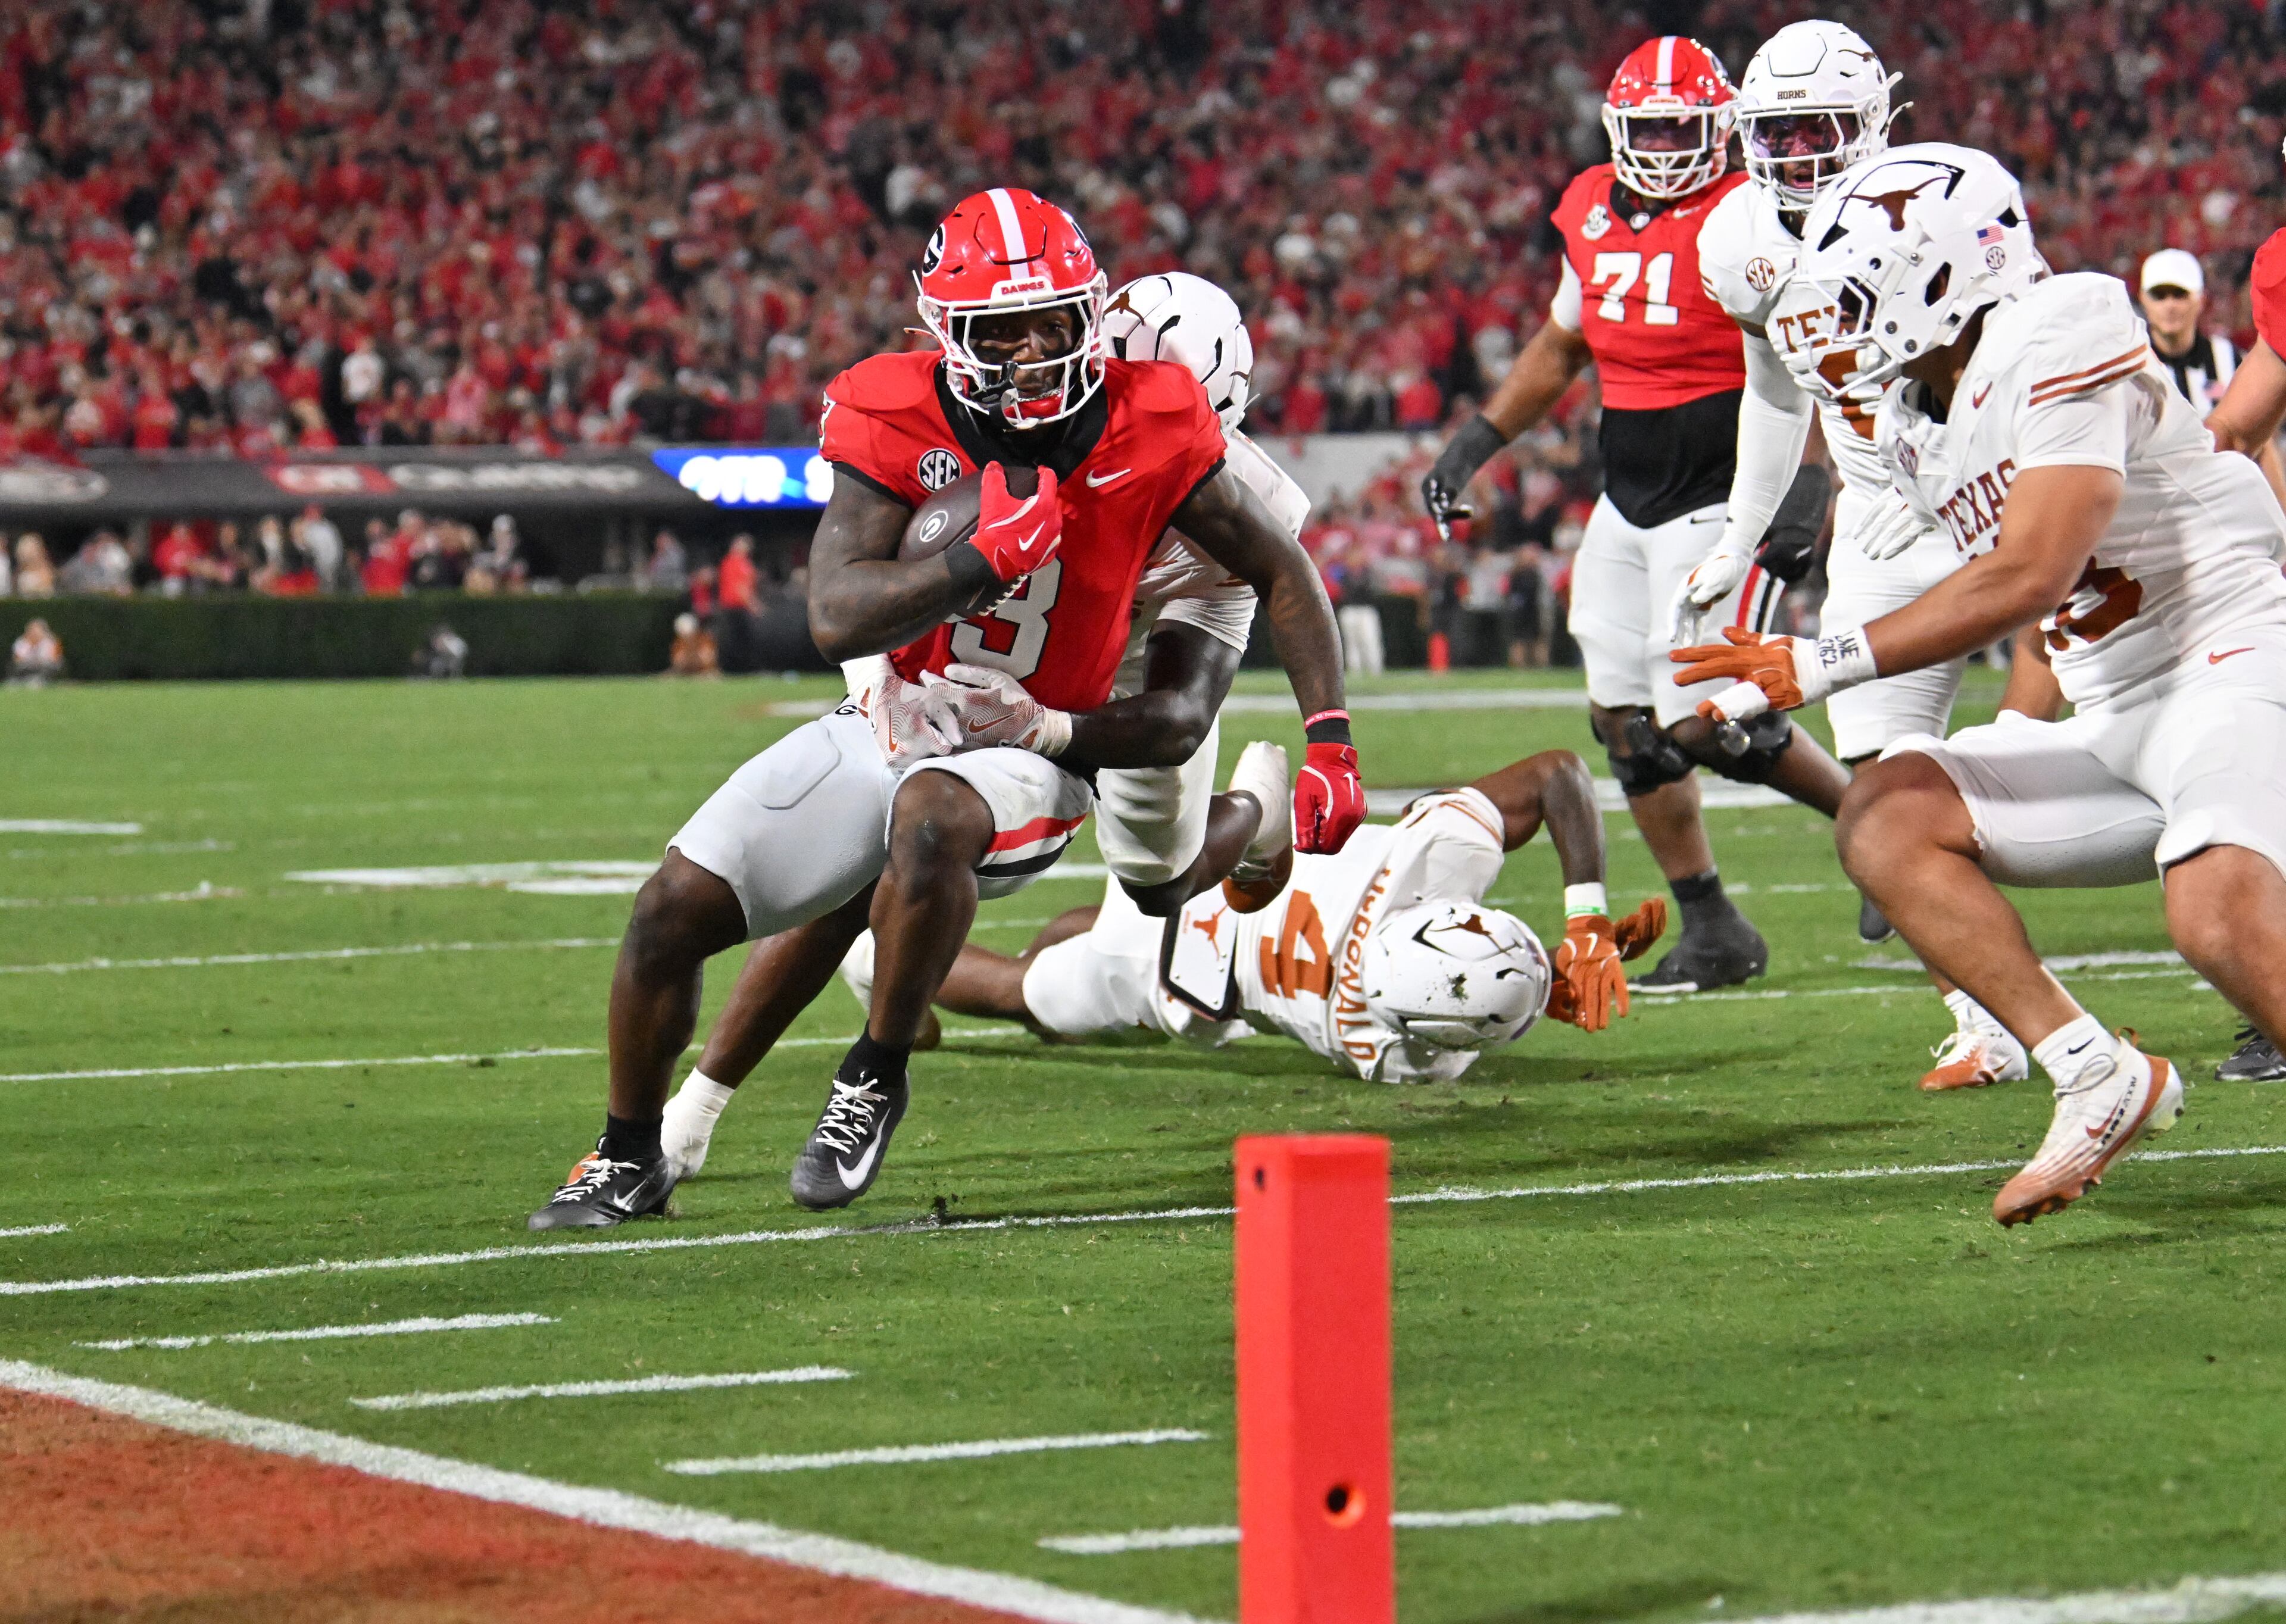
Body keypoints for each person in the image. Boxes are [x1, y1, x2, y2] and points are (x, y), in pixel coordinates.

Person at [529, 189, 1353, 1230]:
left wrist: (1327, 735)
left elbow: (1271, 591)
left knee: (979, 831)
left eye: (1052, 323)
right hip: (905, 708)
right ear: (948, 335)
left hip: (1037, 741)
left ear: (1092, 317)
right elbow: (835, 609)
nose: (1033, 353)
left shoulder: (1163, 425)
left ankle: (873, 1072)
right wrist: (969, 565)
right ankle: (627, 1155)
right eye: (1002, 332)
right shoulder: (892, 407)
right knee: (671, 907)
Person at [1677, 143, 2286, 1226]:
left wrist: (1812, 664)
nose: (1846, 318)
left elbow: (2033, 571)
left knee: (2215, 915)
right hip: (2120, 714)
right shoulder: (1918, 415)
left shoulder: (2069, 324)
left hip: (2234, 664)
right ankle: (2097, 1073)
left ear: (1945, 271)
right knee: (1884, 815)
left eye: (1866, 284)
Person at [658, 271, 1313, 1178]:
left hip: (1138, 649)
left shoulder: (1244, 500)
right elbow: (872, 566)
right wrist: (874, 675)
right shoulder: (1006, 405)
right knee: (861, 851)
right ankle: (695, 1109)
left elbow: (1187, 701)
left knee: (1157, 884)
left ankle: (1254, 815)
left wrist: (1057, 728)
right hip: (1013, 621)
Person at [1420, 35, 1850, 995]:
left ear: (1722, 130)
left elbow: (1812, 362)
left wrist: (1809, 486)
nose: (1661, 145)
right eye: (1647, 125)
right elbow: (1561, 344)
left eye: (1679, 126)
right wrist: (1474, 443)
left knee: (1699, 720)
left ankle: (1871, 824)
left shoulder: (1751, 215)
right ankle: (1712, 926)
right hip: (1628, 497)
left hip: (1723, 494)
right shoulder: (1587, 206)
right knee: (1623, 719)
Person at [1680, 20, 2020, 1090]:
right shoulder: (1737, 237)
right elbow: (1777, 386)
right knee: (1882, 804)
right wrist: (1743, 529)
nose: (1795, 155)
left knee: (2116, 745)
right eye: (1775, 134)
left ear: (1875, 122)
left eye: (1818, 130)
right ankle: (1990, 1020)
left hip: (2002, 507)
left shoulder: (1935, 204)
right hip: (1880, 523)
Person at [845, 748, 1664, 1082]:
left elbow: (1558, 775)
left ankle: (887, 965)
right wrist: (1535, 987)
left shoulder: (1428, 862)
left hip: (1210, 872)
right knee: (1023, 993)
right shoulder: (1386, 1048)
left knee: (1086, 943)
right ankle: (874, 966)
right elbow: (1449, 1011)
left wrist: (1580, 924)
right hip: (1186, 977)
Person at [7, 617, 63, 685]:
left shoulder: (50, 642)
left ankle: (40, 681)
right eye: (32, 630)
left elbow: (54, 659)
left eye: (37, 631)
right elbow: (17, 659)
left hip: (44, 666)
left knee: (51, 667)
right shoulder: (21, 642)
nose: (34, 633)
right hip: (27, 666)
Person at [668, 612, 719, 676]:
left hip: (705, 674)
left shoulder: (705, 641)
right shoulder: (679, 644)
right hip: (685, 674)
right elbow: (678, 664)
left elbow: (709, 662)